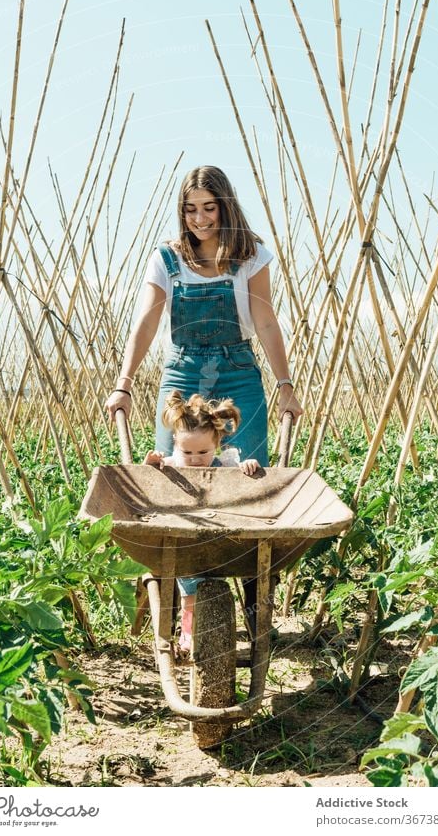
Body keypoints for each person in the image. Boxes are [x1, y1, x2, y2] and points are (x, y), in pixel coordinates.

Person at [105, 165, 303, 632]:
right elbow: (147, 321)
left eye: (209, 208)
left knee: (250, 484)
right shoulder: (167, 260)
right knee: (175, 480)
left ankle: (257, 605)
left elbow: (267, 321)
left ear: (225, 206)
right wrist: (124, 381)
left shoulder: (250, 256)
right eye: (191, 210)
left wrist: (286, 385)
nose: (199, 219)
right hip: (182, 370)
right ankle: (187, 607)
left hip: (238, 370)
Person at [143, 390, 259, 657]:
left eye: (203, 451)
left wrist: (249, 465)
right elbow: (145, 484)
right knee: (190, 596)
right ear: (175, 444)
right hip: (185, 542)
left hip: (223, 539)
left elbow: (242, 476)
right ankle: (186, 633)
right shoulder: (171, 464)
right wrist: (150, 465)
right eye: (188, 451)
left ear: (217, 442)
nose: (195, 458)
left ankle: (232, 629)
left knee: (213, 586)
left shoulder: (225, 464)